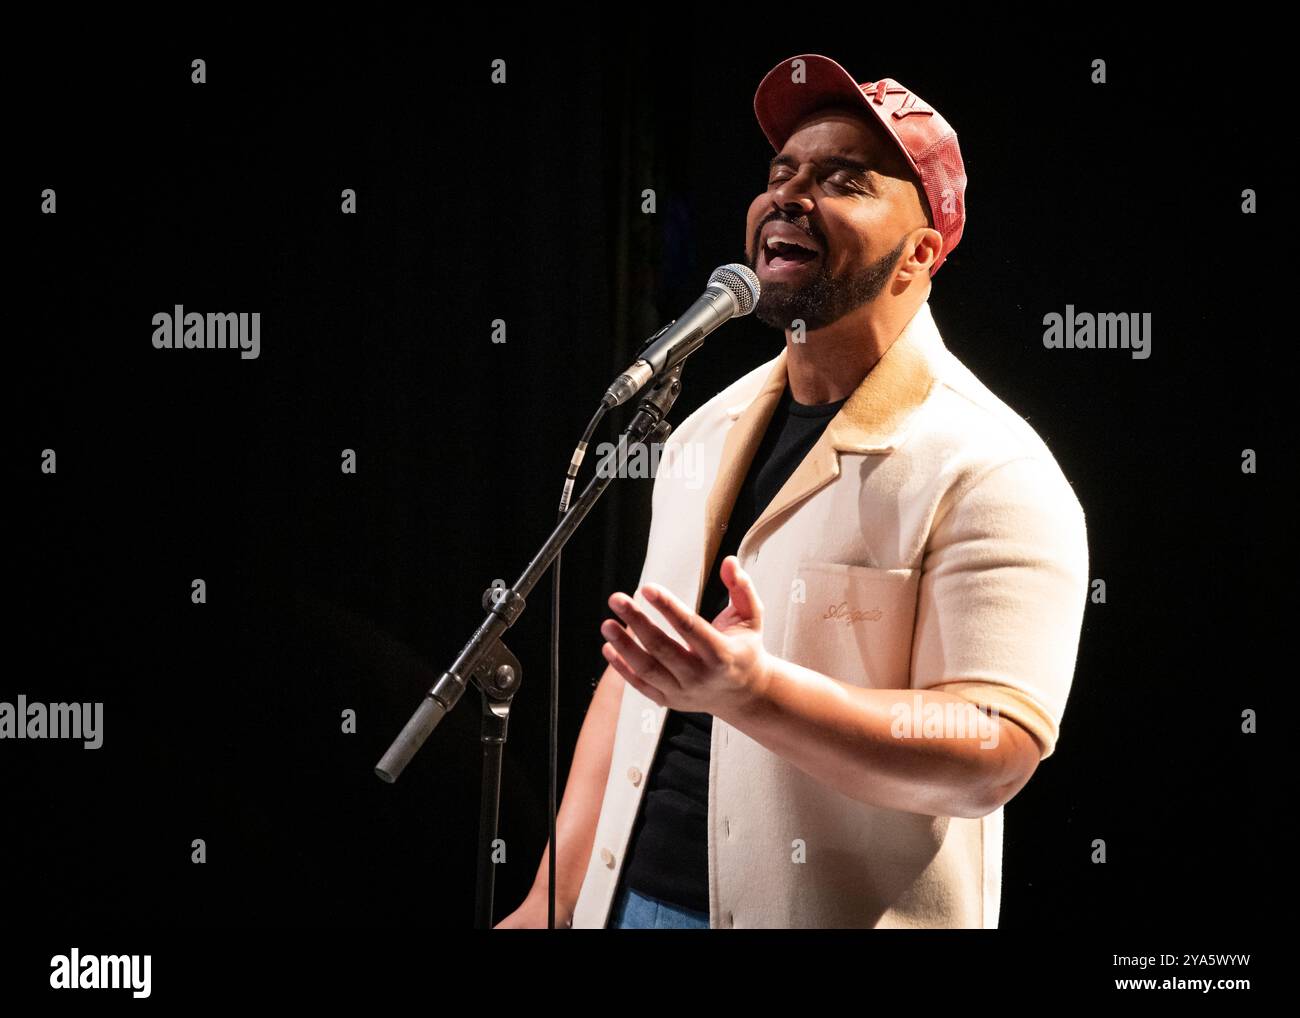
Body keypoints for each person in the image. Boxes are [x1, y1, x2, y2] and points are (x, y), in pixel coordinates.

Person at [496, 53, 1088, 930]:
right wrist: (550, 901)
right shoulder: (703, 432)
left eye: (844, 180)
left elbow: (992, 749)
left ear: (919, 252)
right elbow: (636, 680)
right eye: (781, 173)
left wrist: (755, 692)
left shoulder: (992, 466)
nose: (790, 194)